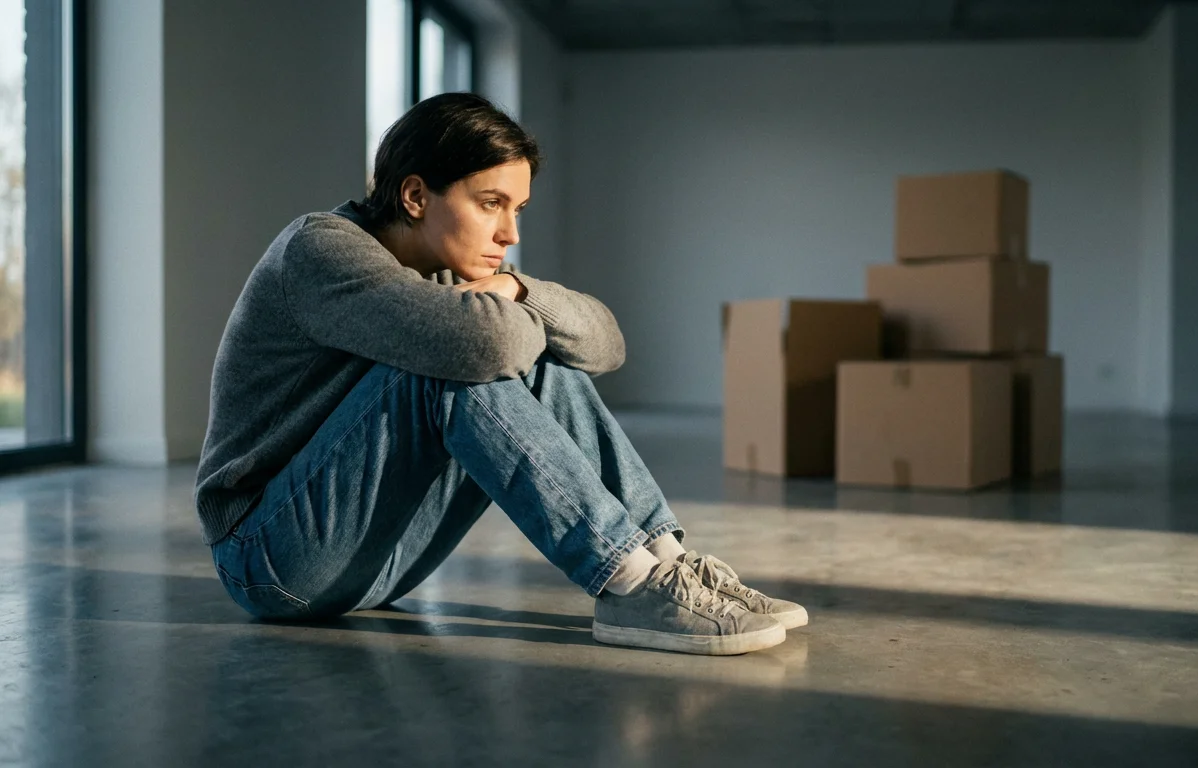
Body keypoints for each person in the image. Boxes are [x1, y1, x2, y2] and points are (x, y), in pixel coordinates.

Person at [194, 93, 806, 656]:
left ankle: (666, 565)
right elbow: (487, 341)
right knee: (454, 367)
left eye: (518, 209)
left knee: (531, 354)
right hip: (270, 561)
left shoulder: (457, 269)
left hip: (377, 561)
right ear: (415, 196)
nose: (509, 233)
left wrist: (517, 289)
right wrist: (517, 316)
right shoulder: (320, 250)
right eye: (491, 205)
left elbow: (607, 344)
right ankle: (627, 582)